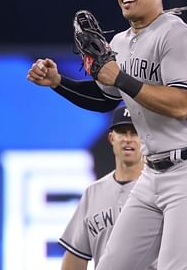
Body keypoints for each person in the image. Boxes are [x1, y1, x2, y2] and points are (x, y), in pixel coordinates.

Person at [27, 0, 187, 270]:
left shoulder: (174, 32)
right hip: (153, 173)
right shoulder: (119, 41)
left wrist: (121, 77)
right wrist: (58, 82)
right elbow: (105, 98)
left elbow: (182, 104)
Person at [59, 104, 156, 270]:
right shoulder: (93, 193)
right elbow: (75, 257)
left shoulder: (163, 190)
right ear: (112, 138)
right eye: (122, 132)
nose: (128, 139)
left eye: (134, 132)